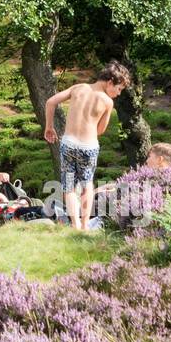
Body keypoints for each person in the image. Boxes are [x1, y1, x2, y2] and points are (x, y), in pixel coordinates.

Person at [44, 62, 131, 230]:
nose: (118, 94)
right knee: (87, 186)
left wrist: (49, 126)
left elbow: (50, 102)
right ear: (110, 82)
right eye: (119, 89)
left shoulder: (78, 88)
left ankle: (75, 225)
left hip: (68, 143)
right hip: (88, 147)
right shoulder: (106, 101)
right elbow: (100, 130)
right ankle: (84, 225)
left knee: (68, 186)